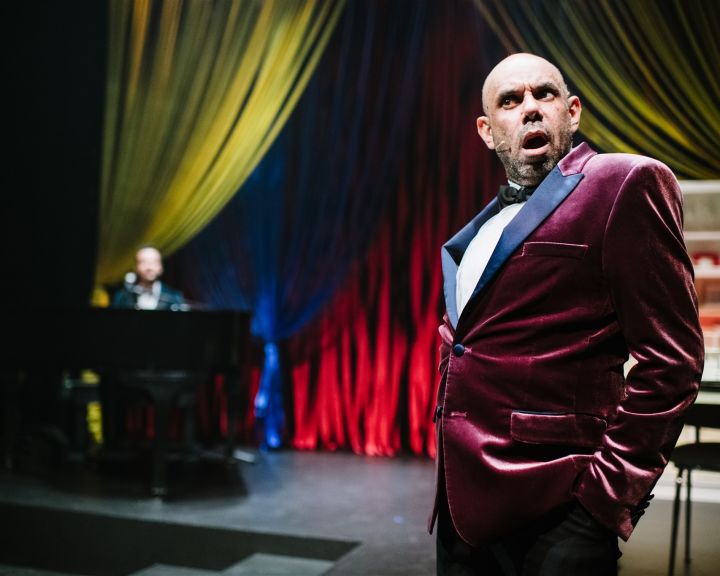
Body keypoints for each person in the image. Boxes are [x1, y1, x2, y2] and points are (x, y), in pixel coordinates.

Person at [428, 53, 704, 575]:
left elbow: (672, 362)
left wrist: (603, 505)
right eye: (510, 101)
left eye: (544, 94)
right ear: (487, 131)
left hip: (559, 512)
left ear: (572, 111)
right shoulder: (477, 233)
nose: (529, 108)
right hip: (463, 511)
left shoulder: (623, 182)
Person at [111, 244, 187, 311]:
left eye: (154, 262)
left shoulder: (174, 297)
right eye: (143, 262)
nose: (149, 267)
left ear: (161, 267)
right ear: (135, 267)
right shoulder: (123, 297)